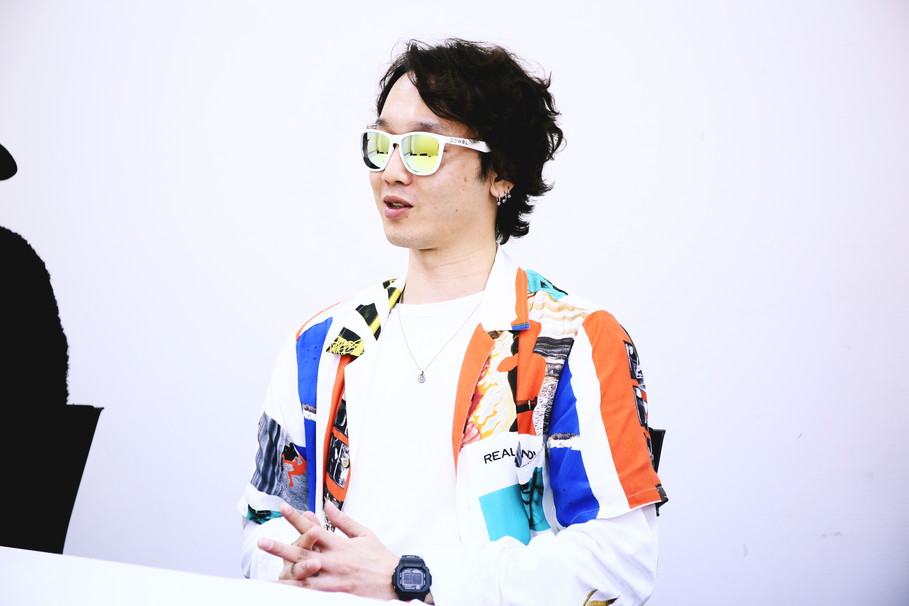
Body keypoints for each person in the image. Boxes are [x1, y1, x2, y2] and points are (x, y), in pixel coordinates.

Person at [238, 39, 667, 605]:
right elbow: (263, 520)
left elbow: (619, 562)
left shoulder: (577, 341)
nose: (392, 171)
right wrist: (297, 568)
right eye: (381, 144)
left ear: (502, 172)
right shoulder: (321, 344)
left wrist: (411, 580)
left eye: (423, 148)